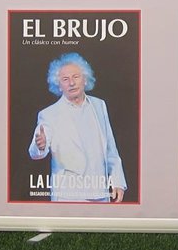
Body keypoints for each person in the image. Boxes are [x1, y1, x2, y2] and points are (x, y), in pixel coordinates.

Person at [28, 53, 127, 202]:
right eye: (65, 79)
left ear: (85, 79)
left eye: (76, 77)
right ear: (58, 85)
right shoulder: (49, 114)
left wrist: (118, 181)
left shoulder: (99, 105)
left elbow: (110, 149)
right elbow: (35, 153)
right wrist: (40, 145)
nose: (71, 83)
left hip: (101, 193)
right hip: (68, 196)